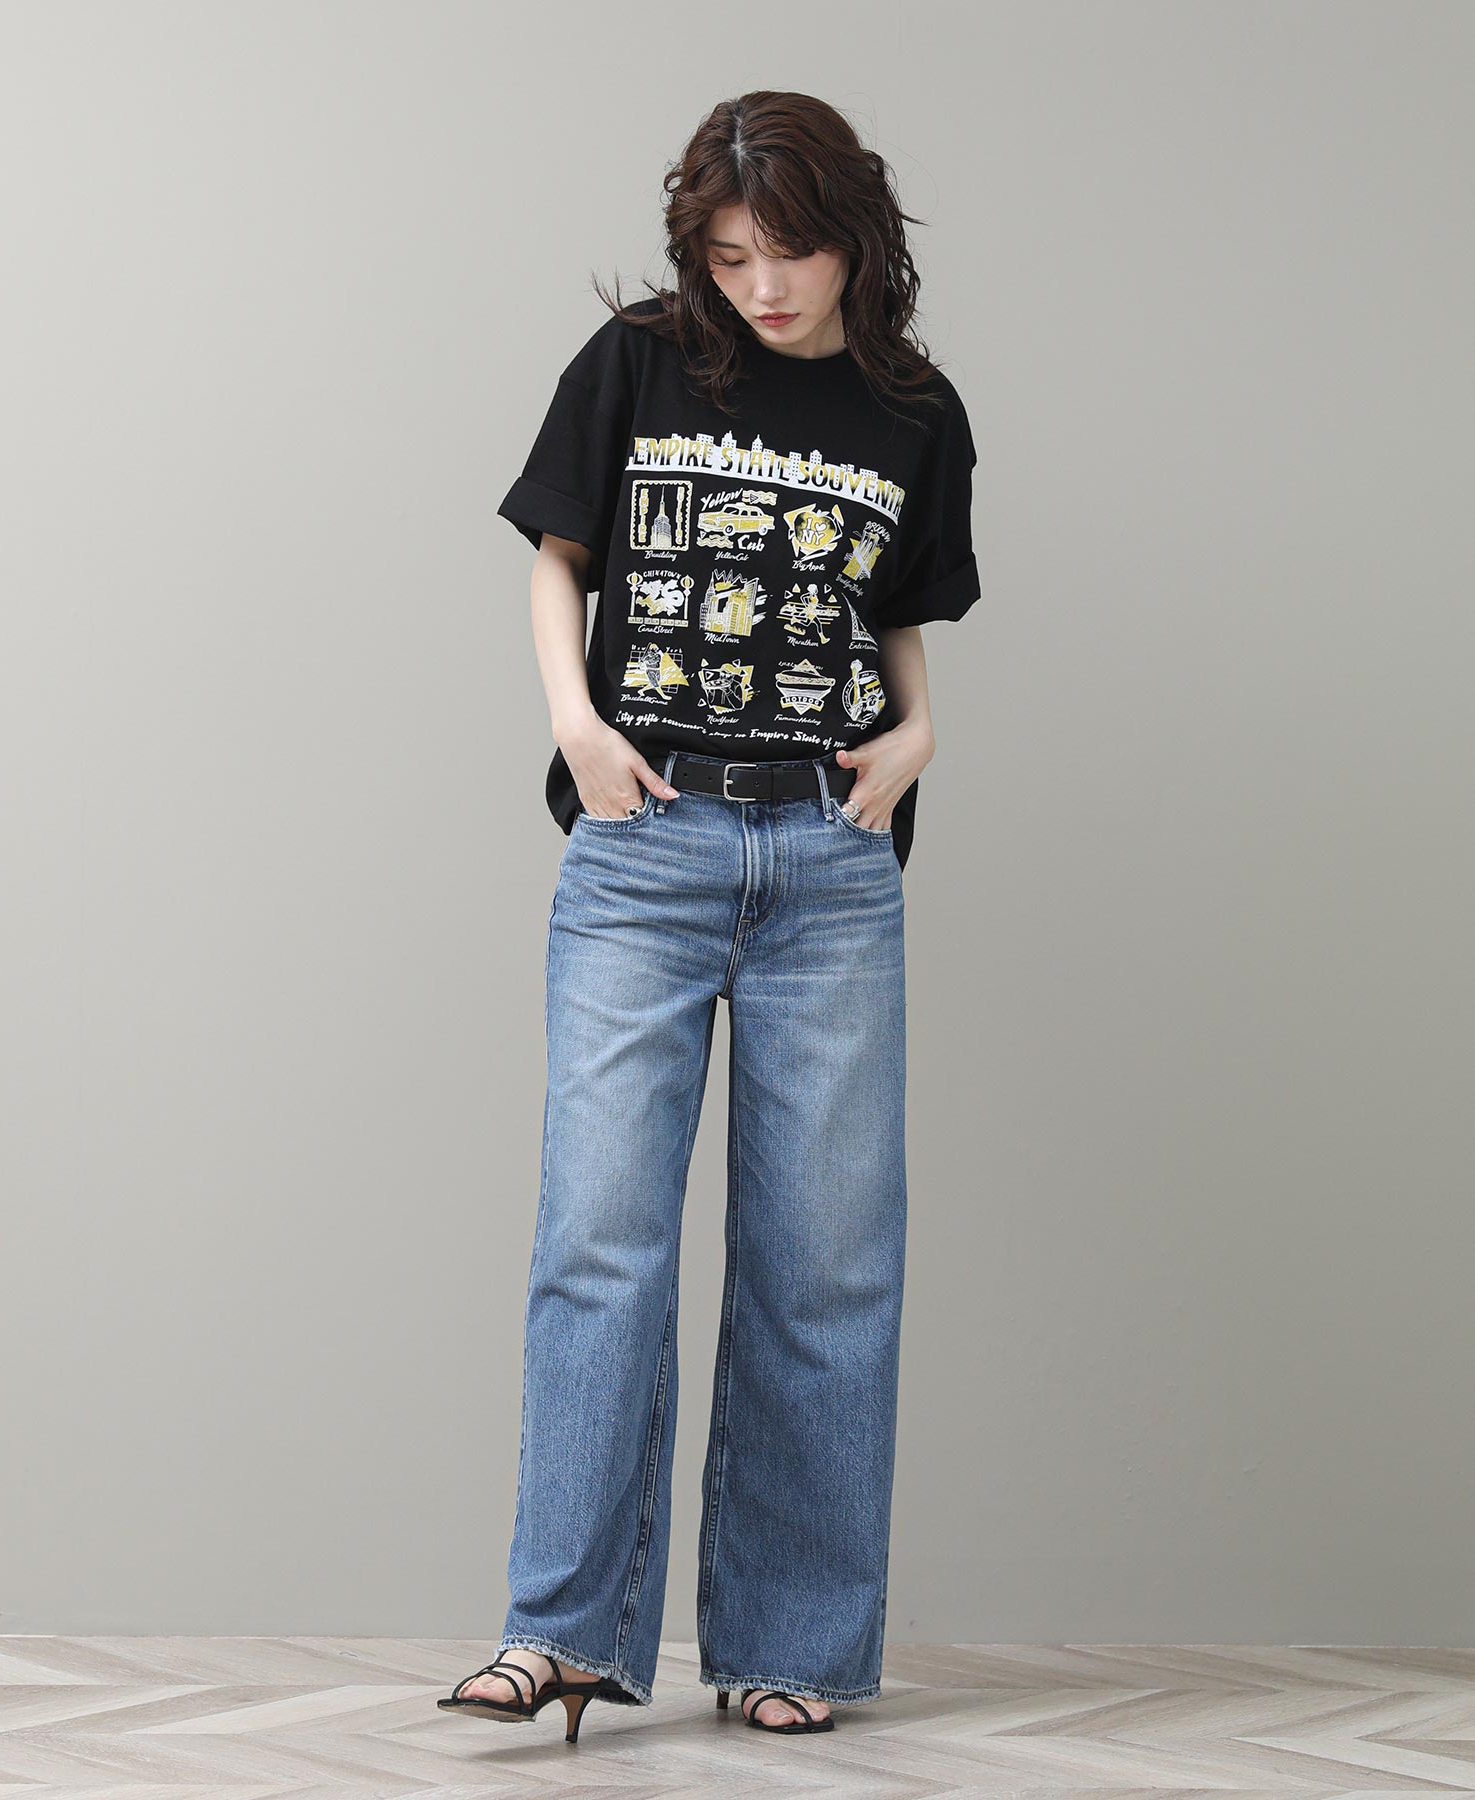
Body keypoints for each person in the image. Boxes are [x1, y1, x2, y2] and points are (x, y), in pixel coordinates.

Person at [438, 88, 981, 1746]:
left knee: (826, 1270)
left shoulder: (914, 409)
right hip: (646, 843)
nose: (764, 287)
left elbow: (894, 617)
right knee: (599, 1244)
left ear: (855, 239)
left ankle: (790, 1646)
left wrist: (923, 734)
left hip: (829, 862)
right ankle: (560, 1634)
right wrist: (577, 728)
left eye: (791, 253)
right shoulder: (637, 366)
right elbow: (559, 557)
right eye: (732, 256)